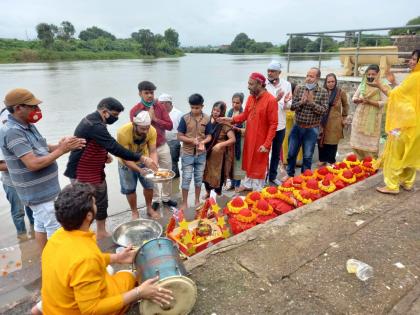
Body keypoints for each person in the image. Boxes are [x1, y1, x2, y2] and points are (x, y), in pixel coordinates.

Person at [35, 182, 173, 314]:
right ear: (89, 216)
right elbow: (91, 310)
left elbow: (80, 262)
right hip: (82, 310)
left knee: (109, 268)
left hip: (58, 301)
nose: (96, 205)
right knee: (130, 276)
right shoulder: (85, 258)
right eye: (94, 203)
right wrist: (139, 293)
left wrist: (116, 258)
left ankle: (42, 307)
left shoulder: (58, 235)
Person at [0, 88, 85, 250]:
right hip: (38, 193)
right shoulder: (12, 131)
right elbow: (33, 164)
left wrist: (62, 145)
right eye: (32, 107)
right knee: (55, 227)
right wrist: (62, 150)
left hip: (45, 191)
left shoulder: (27, 125)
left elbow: (42, 148)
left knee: (40, 224)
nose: (37, 110)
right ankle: (57, 262)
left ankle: (44, 259)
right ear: (18, 108)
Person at [64, 97, 157, 239]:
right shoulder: (94, 124)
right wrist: (141, 158)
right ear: (104, 111)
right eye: (115, 115)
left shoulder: (98, 122)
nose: (116, 118)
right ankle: (82, 236)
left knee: (101, 202)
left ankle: (101, 232)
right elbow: (114, 146)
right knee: (84, 206)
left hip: (95, 170)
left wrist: (103, 156)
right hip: (81, 171)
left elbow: (96, 144)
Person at [218, 72, 278, 192]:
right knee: (248, 161)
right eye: (248, 83)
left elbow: (273, 124)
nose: (248, 86)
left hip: (262, 139)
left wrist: (266, 144)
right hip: (250, 137)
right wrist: (231, 119)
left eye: (251, 84)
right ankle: (248, 184)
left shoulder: (270, 100)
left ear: (260, 84)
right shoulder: (251, 97)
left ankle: (258, 188)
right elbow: (245, 115)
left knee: (259, 164)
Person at [375, 49, 420, 194]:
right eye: (411, 58)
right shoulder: (415, 77)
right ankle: (407, 182)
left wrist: (380, 85)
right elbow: (406, 94)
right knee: (410, 151)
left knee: (395, 152)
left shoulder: (415, 77)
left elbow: (395, 95)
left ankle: (392, 185)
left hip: (405, 123)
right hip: (416, 124)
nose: (411, 61)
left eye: (414, 59)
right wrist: (394, 82)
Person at [130, 81, 177, 210]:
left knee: (168, 171)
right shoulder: (135, 110)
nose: (150, 95)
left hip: (162, 145)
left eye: (152, 92)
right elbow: (135, 133)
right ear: (140, 93)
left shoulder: (160, 107)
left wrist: (155, 119)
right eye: (146, 93)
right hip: (146, 148)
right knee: (152, 174)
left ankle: (167, 198)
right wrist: (148, 120)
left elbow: (170, 125)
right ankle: (156, 199)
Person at [285, 67, 328, 179]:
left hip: (312, 129)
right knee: (291, 153)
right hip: (297, 127)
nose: (308, 79)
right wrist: (302, 102)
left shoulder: (323, 92)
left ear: (317, 78)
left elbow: (323, 111)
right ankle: (290, 174)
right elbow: (292, 107)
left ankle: (305, 177)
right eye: (307, 76)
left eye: (311, 76)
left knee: (308, 156)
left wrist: (311, 103)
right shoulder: (299, 88)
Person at [117, 111, 159, 219]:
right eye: (142, 128)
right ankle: (134, 212)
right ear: (134, 125)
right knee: (130, 189)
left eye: (147, 128)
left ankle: (149, 208)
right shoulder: (123, 132)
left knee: (149, 185)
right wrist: (139, 171)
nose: (145, 131)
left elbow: (153, 151)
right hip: (126, 163)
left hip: (144, 160)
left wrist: (154, 166)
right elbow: (125, 158)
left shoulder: (152, 131)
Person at [0, 108, 34, 240]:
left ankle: (36, 233)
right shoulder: (2, 135)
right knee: (18, 212)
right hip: (11, 182)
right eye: (5, 121)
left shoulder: (25, 132)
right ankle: (22, 237)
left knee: (32, 208)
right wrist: (22, 162)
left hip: (28, 179)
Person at [177, 93, 212, 210]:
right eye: (192, 107)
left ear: (202, 106)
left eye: (197, 108)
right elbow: (179, 136)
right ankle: (184, 202)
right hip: (187, 153)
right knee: (186, 178)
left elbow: (209, 136)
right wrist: (191, 140)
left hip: (201, 154)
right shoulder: (185, 118)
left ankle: (197, 200)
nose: (194, 110)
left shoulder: (207, 119)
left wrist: (203, 142)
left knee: (198, 178)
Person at [350, 64, 390, 159]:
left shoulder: (382, 85)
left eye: (373, 74)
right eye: (368, 74)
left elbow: (385, 102)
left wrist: (369, 102)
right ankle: (359, 160)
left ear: (378, 74)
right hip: (360, 115)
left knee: (370, 140)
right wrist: (357, 100)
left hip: (373, 117)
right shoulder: (363, 84)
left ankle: (371, 162)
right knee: (358, 138)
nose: (370, 76)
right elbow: (354, 97)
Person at [266, 60, 292, 185]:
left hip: (280, 124)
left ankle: (272, 176)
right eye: (268, 71)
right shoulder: (262, 84)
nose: (270, 73)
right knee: (263, 152)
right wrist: (276, 100)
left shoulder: (287, 84)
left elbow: (288, 106)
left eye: (273, 71)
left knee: (276, 153)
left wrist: (286, 102)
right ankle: (261, 177)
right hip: (265, 125)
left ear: (279, 73)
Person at [203, 101, 235, 197]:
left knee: (218, 175)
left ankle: (218, 194)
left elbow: (233, 139)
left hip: (219, 157)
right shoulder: (207, 121)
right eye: (214, 110)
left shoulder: (224, 123)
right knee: (205, 174)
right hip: (207, 153)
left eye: (218, 111)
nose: (215, 112)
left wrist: (220, 145)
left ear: (222, 112)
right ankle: (208, 193)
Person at [318, 73, 349, 165]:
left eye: (332, 81)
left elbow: (345, 105)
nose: (330, 83)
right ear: (325, 82)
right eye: (328, 82)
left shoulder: (340, 92)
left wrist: (344, 117)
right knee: (321, 140)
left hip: (335, 122)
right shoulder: (322, 91)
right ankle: (323, 160)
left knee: (332, 141)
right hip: (322, 121)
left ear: (335, 82)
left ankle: (331, 160)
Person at [226, 93, 246, 192]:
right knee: (230, 162)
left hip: (240, 142)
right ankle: (232, 184)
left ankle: (237, 185)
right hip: (230, 141)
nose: (234, 105)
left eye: (237, 103)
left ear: (241, 103)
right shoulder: (229, 112)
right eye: (233, 102)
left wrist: (236, 129)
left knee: (238, 163)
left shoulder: (244, 113)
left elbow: (246, 131)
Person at [161, 93, 183, 179]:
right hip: (162, 142)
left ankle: (175, 183)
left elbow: (182, 130)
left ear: (168, 103)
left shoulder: (178, 114)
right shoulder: (159, 113)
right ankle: (166, 179)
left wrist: (182, 145)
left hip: (174, 141)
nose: (160, 105)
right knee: (164, 163)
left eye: (162, 103)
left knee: (173, 162)